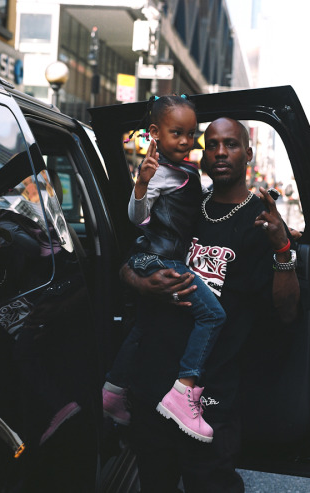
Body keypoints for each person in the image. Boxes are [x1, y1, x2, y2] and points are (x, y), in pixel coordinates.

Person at [118, 117, 300, 492]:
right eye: (212, 144)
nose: (220, 152)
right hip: (153, 383)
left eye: (230, 144)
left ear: (248, 154)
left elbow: (286, 310)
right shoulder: (183, 202)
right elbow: (129, 261)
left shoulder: (261, 221)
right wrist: (143, 282)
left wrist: (283, 247)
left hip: (208, 394)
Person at [102, 95, 226, 443]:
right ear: (155, 133)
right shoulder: (158, 173)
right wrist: (141, 184)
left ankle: (112, 392)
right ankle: (183, 390)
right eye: (177, 133)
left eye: (191, 134)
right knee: (213, 316)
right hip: (160, 259)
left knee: (144, 324)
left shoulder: (185, 170)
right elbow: (138, 217)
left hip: (152, 257)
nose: (186, 141)